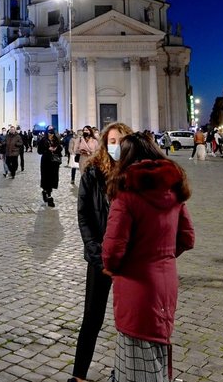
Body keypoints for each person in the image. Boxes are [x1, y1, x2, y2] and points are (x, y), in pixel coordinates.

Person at [102, 133, 195, 382]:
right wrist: (161, 257)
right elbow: (187, 238)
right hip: (166, 282)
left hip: (137, 285)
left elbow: (112, 250)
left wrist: (116, 266)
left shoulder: (126, 195)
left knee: (135, 358)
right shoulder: (173, 190)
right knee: (158, 348)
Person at [69, 122, 132, 382]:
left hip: (130, 260)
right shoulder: (93, 173)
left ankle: (127, 370)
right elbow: (84, 215)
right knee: (91, 318)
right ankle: (79, 375)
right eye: (111, 141)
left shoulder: (136, 175)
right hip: (100, 257)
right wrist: (96, 253)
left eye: (120, 141)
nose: (115, 146)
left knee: (129, 320)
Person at [37, 127, 63, 207]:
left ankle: (46, 192)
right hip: (46, 161)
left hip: (54, 162)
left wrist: (56, 149)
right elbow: (39, 151)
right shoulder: (43, 140)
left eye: (52, 131)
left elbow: (60, 149)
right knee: (46, 178)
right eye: (49, 131)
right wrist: (47, 149)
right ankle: (49, 195)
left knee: (53, 178)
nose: (50, 133)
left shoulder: (56, 139)